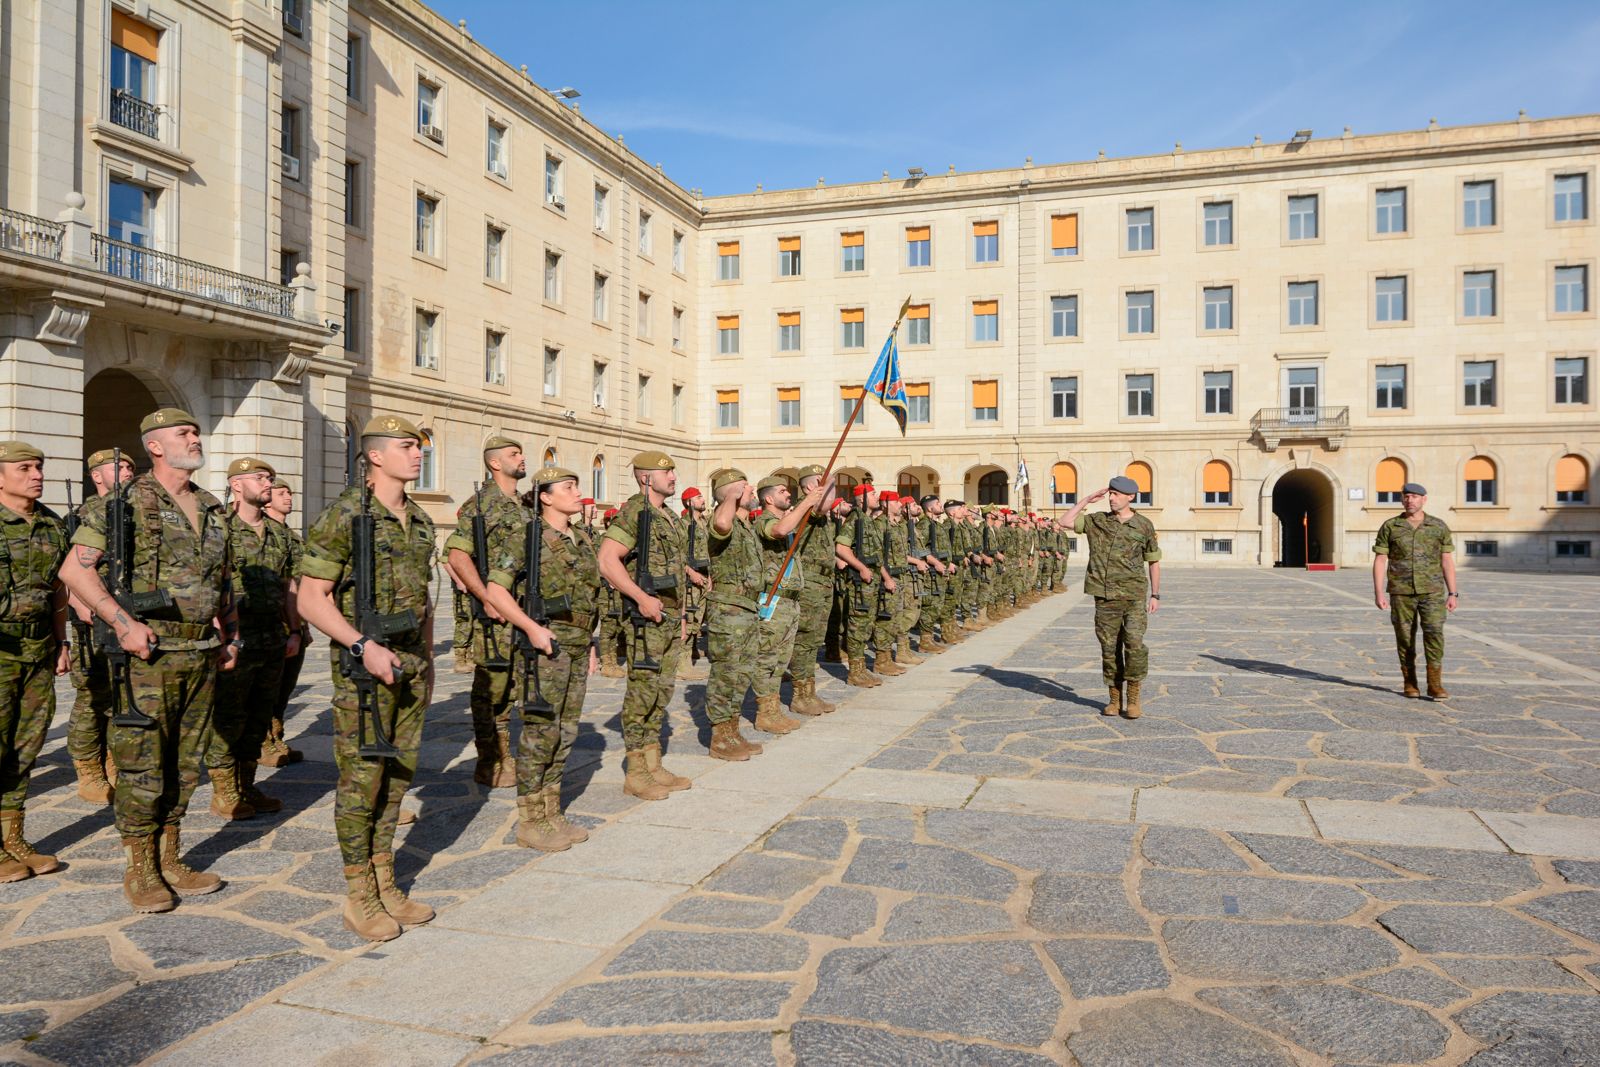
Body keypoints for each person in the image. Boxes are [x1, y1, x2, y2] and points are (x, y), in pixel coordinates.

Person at [62, 408, 238, 913]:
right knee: (143, 763)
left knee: (185, 763)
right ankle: (141, 867)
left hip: (200, 650)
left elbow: (220, 579)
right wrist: (121, 622)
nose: (195, 438)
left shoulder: (209, 505)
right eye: (184, 433)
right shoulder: (124, 501)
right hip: (149, 653)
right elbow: (75, 571)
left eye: (196, 431)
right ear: (155, 446)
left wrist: (226, 630)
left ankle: (171, 856)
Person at [297, 414, 436, 942]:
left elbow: (422, 600)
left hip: (410, 667)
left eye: (418, 446)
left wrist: (426, 658)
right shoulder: (345, 514)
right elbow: (311, 599)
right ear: (376, 456)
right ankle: (359, 895)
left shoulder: (418, 519)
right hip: (364, 672)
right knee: (362, 782)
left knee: (397, 778)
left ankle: (386, 881)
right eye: (407, 446)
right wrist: (361, 644)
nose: (418, 453)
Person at [476, 466, 573, 851]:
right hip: (543, 646)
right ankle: (531, 819)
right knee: (539, 732)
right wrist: (529, 627)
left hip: (575, 647)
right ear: (546, 497)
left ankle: (552, 811)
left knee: (565, 732)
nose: (577, 492)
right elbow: (497, 591)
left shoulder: (578, 538)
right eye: (568, 487)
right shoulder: (527, 536)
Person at [207, 457, 299, 820]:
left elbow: (291, 585)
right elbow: (211, 582)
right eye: (259, 477)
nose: (267, 482)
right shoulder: (218, 529)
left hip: (272, 636)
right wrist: (221, 633)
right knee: (229, 713)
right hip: (235, 636)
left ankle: (247, 785)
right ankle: (224, 791)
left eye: (270, 477)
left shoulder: (280, 534)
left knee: (260, 715)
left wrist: (294, 630)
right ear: (236, 485)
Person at [597, 450, 690, 800]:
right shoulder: (636, 510)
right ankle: (636, 771)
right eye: (667, 472)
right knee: (642, 692)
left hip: (668, 617)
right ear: (646, 478)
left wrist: (679, 616)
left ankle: (653, 764)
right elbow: (608, 560)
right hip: (645, 619)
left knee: (661, 691)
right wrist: (640, 597)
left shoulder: (668, 516)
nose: (674, 477)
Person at [0, 441, 71, 882]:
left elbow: (61, 588)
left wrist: (63, 641)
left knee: (25, 746)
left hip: (38, 648)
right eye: (24, 468)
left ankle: (13, 835)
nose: (36, 474)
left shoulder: (51, 523)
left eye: (39, 467)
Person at [443, 436, 528, 788]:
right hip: (495, 614)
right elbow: (456, 555)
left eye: (521, 452)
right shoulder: (481, 505)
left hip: (525, 609)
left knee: (514, 686)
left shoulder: (524, 505)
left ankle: (508, 754)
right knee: (491, 688)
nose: (521, 458)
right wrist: (485, 596)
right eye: (513, 454)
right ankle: (490, 759)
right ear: (494, 463)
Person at [66, 448, 136, 803]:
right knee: (92, 696)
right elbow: (74, 570)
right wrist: (81, 605)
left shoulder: (135, 508)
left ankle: (112, 761)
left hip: (126, 613)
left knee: (122, 693)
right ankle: (88, 768)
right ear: (97, 476)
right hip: (93, 616)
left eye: (129, 466)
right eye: (119, 466)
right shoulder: (89, 512)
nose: (126, 470)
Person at [1063, 476, 1161, 720]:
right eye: (1110, 494)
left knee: (1135, 646)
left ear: (1131, 497)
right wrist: (1086, 499)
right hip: (1105, 597)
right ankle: (1114, 699)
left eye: (1116, 494)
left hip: (1134, 596)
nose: (1111, 498)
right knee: (1109, 649)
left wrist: (1155, 594)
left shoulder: (1144, 525)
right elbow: (1064, 521)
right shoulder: (1097, 521)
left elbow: (1153, 561)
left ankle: (1134, 699)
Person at [752, 474, 827, 729]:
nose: (788, 494)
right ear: (769, 498)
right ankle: (765, 713)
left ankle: (775, 710)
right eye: (783, 491)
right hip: (774, 600)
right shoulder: (764, 520)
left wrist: (815, 497)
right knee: (767, 659)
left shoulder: (787, 517)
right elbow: (780, 530)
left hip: (791, 602)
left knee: (781, 660)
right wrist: (806, 502)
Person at [700, 470, 767, 760]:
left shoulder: (746, 525)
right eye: (745, 486)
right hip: (728, 610)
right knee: (725, 675)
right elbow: (722, 523)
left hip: (747, 609)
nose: (752, 490)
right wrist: (730, 494)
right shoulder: (722, 519)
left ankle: (732, 730)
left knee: (741, 675)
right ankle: (719, 739)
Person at [1373, 482, 1458, 699]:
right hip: (1401, 592)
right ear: (1402, 500)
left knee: (1434, 634)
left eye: (1414, 496)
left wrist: (1452, 593)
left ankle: (1435, 684)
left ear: (1424, 499)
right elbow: (1381, 559)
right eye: (1406, 496)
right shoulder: (1391, 526)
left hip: (1432, 591)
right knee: (1404, 637)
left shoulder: (1438, 526)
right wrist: (1379, 593)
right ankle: (1409, 682)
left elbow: (1447, 560)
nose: (1410, 500)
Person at [785, 465, 838, 714]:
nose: (835, 492)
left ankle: (809, 692)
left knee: (814, 641)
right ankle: (800, 696)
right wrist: (823, 489)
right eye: (828, 486)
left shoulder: (819, 514)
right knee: (804, 641)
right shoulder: (806, 509)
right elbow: (822, 506)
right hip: (810, 584)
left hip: (824, 583)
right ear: (810, 488)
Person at [261, 478, 306, 767]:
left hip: (292, 623)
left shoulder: (292, 536)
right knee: (266, 686)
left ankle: (276, 735)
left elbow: (299, 584)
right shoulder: (261, 532)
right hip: (268, 622)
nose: (289, 497)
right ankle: (262, 741)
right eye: (282, 493)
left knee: (285, 686)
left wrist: (301, 627)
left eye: (290, 492)